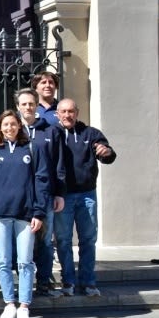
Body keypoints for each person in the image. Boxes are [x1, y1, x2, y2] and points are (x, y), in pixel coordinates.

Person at [0, 110, 49, 318]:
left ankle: (24, 305)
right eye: (5, 125)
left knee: (25, 261)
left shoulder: (32, 148)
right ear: (0, 128)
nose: (9, 128)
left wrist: (39, 212)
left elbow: (42, 180)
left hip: (25, 215)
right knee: (4, 262)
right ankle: (9, 304)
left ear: (19, 126)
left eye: (13, 124)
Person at [54, 98, 116, 297]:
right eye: (63, 111)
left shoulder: (91, 133)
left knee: (88, 240)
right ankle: (68, 282)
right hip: (62, 196)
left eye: (71, 111)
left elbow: (107, 153)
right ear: (57, 114)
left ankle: (88, 282)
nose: (67, 115)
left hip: (86, 195)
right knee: (63, 241)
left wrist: (106, 152)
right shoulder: (52, 134)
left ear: (77, 113)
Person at [15, 88, 66, 298]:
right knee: (19, 241)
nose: (28, 107)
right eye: (24, 104)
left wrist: (59, 193)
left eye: (31, 103)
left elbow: (59, 164)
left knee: (45, 241)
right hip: (19, 198)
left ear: (37, 105)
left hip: (44, 196)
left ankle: (43, 282)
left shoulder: (51, 130)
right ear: (17, 106)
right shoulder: (12, 129)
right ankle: (21, 283)